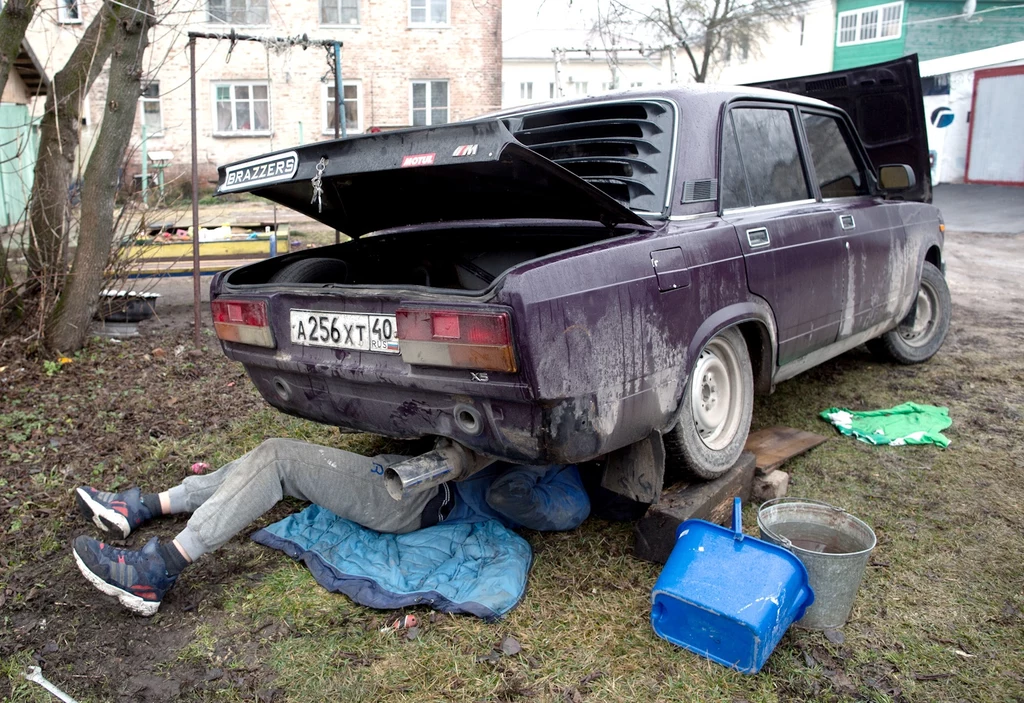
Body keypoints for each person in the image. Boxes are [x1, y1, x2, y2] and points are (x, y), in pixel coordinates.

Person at [72, 439, 590, 616]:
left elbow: (508, 497)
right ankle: (142, 507)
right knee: (265, 455)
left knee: (278, 459)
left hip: (417, 503)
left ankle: (157, 569)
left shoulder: (571, 493)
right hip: (406, 474)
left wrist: (521, 455)